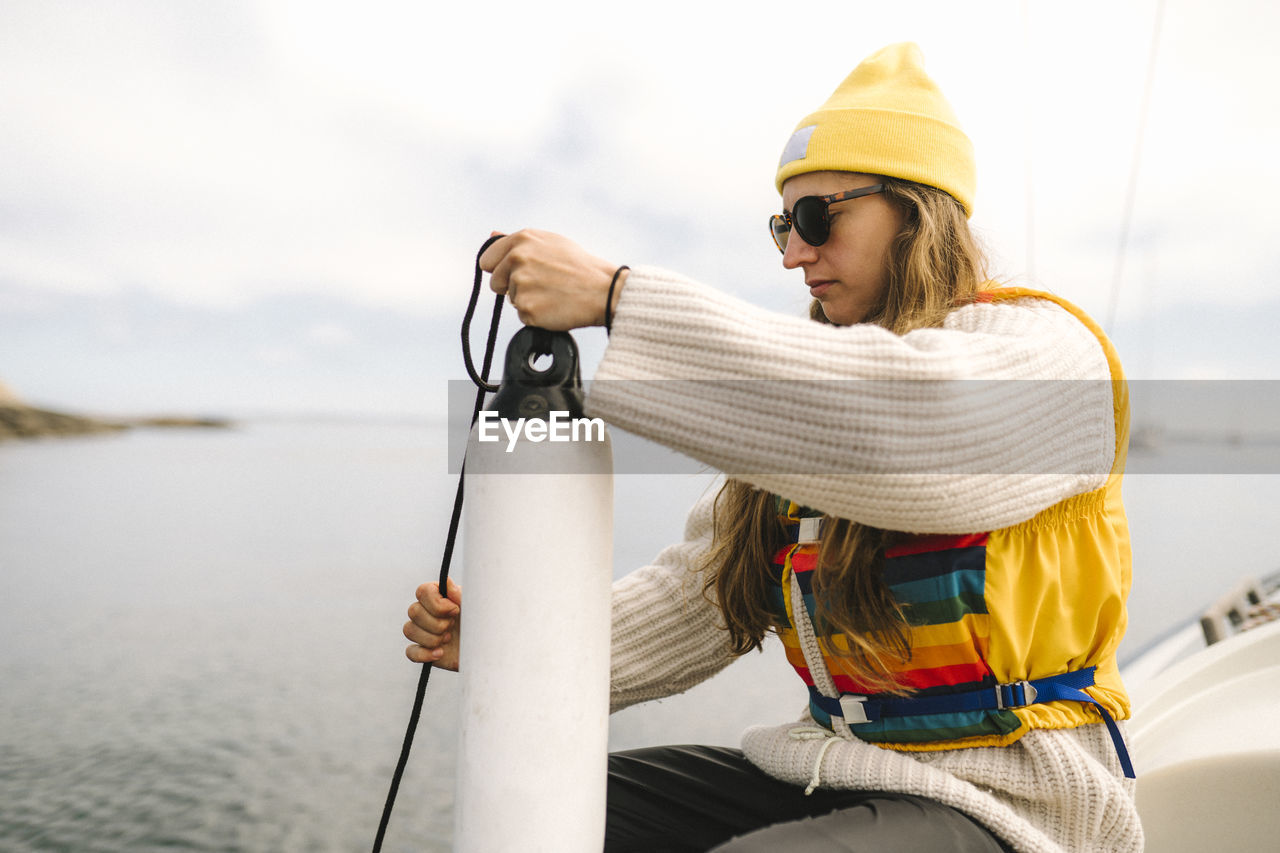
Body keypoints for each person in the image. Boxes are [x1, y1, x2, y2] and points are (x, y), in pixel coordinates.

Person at [404, 42, 1142, 852]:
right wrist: (512, 640)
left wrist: (619, 300)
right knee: (561, 808)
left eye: (820, 218)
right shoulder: (809, 399)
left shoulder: (1047, 354)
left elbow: (906, 427)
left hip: (1008, 807)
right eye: (782, 225)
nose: (794, 253)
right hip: (838, 768)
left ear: (916, 211)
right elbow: (696, 599)